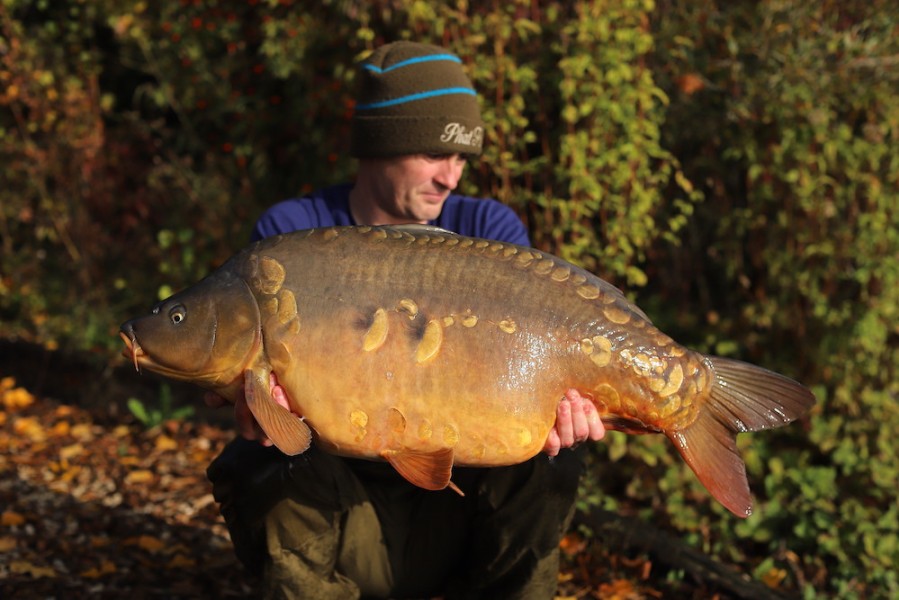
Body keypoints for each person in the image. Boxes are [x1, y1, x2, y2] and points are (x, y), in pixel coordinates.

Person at [206, 41, 605, 599]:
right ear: (379, 144)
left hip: (461, 521)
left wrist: (561, 413)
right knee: (256, 464)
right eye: (434, 154)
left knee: (553, 465)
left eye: (462, 159)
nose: (451, 178)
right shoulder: (295, 235)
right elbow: (254, 390)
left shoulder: (490, 230)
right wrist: (260, 410)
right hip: (345, 517)